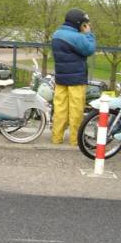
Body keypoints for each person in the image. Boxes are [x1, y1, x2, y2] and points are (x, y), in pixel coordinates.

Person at [51, 8, 96, 146]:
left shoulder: (56, 34)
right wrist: (89, 34)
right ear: (78, 23)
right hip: (76, 80)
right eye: (84, 24)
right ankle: (75, 139)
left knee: (60, 109)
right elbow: (89, 49)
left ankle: (56, 138)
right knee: (76, 110)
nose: (85, 26)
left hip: (61, 78)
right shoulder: (76, 37)